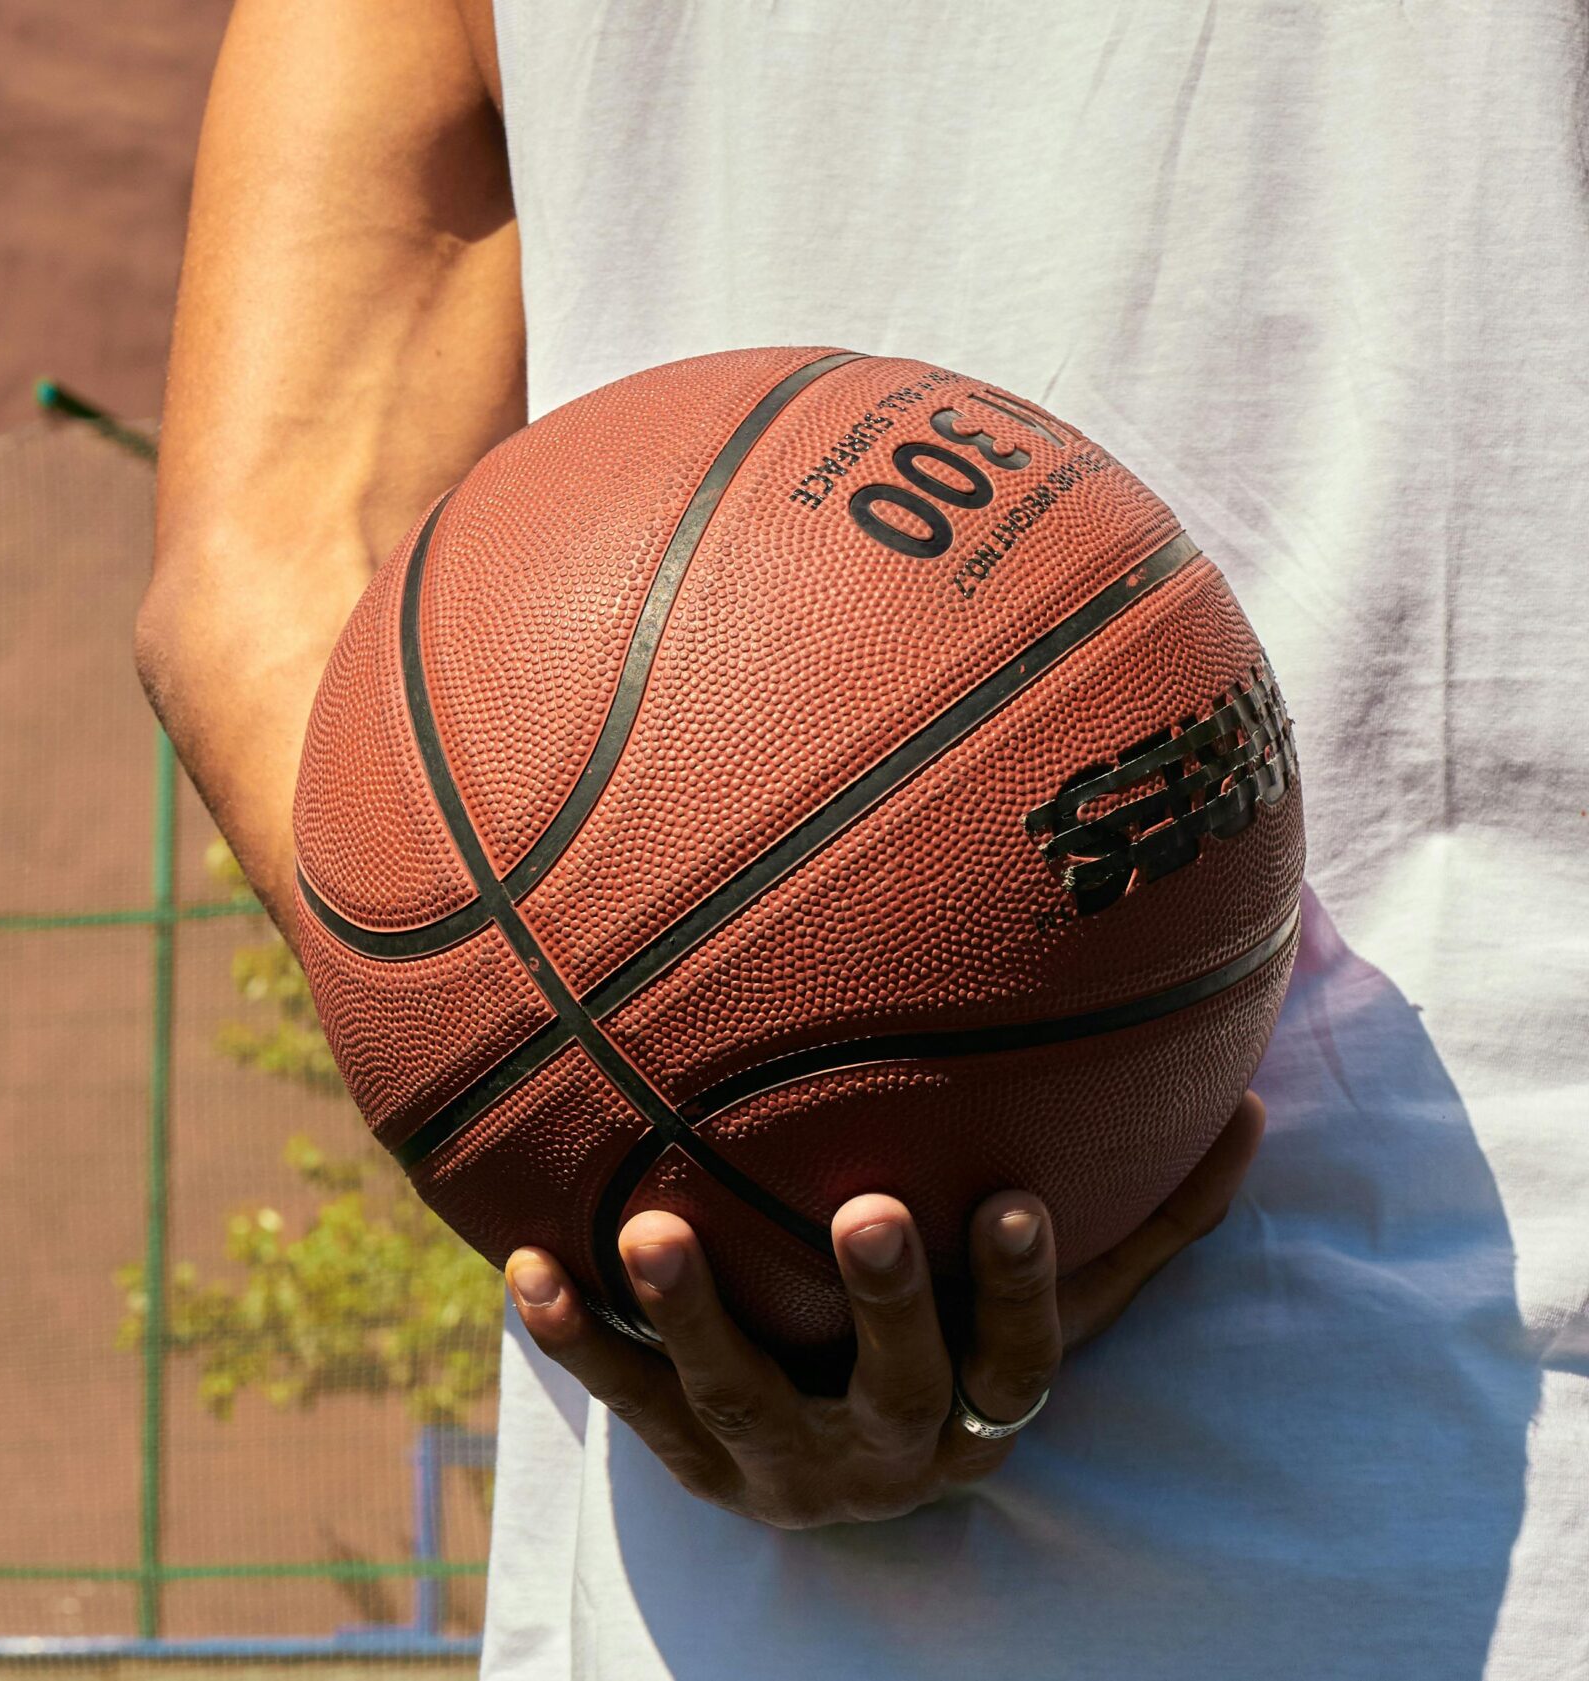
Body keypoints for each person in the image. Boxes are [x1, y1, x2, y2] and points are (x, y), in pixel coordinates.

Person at [137, 3, 1588, 1675]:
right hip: (1494, 1446)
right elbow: (270, 559)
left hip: (740, 1557)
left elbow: (278, 550)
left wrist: (614, 1092)